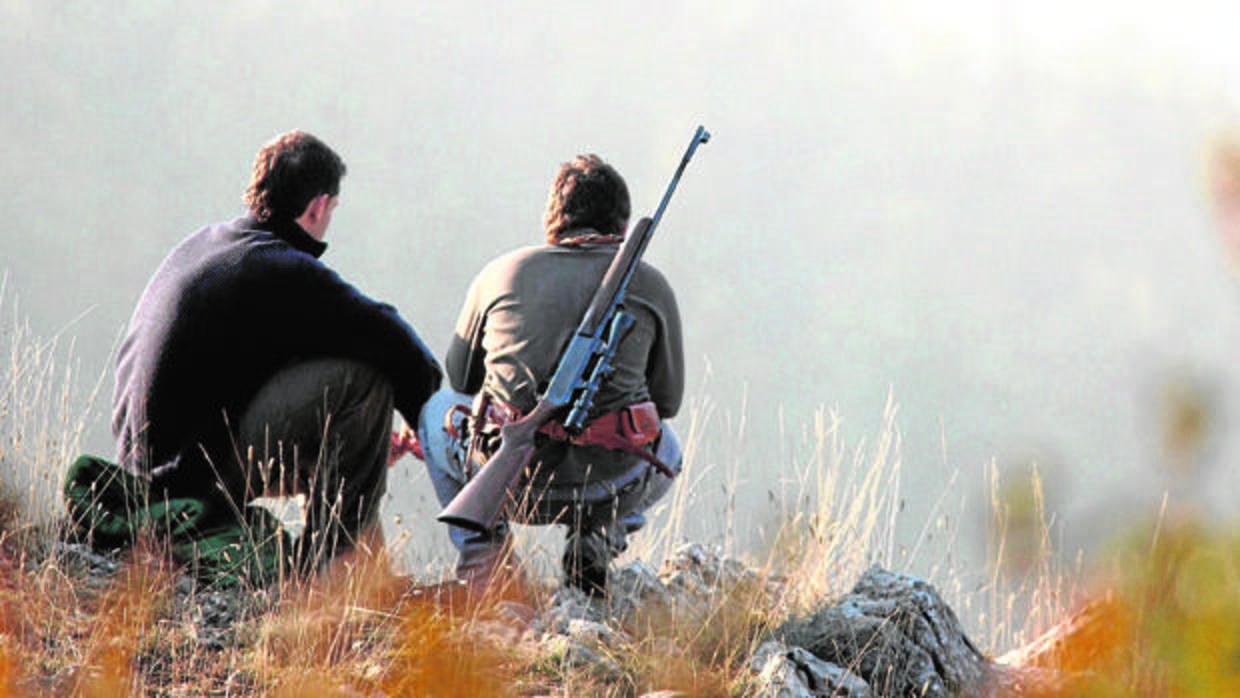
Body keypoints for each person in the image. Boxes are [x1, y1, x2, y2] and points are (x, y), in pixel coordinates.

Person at [112, 130, 441, 575]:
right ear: (319, 205)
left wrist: (362, 438)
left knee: (341, 408)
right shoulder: (279, 268)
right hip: (185, 480)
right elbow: (386, 336)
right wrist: (431, 416)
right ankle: (337, 581)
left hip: (147, 469)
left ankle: (372, 579)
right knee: (363, 382)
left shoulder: (208, 245)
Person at [419, 154, 685, 595]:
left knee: (437, 410)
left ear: (552, 220)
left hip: (512, 484)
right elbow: (668, 402)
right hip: (611, 485)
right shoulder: (650, 283)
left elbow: (460, 380)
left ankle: (484, 562)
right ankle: (596, 543)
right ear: (621, 228)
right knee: (668, 446)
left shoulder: (498, 274)